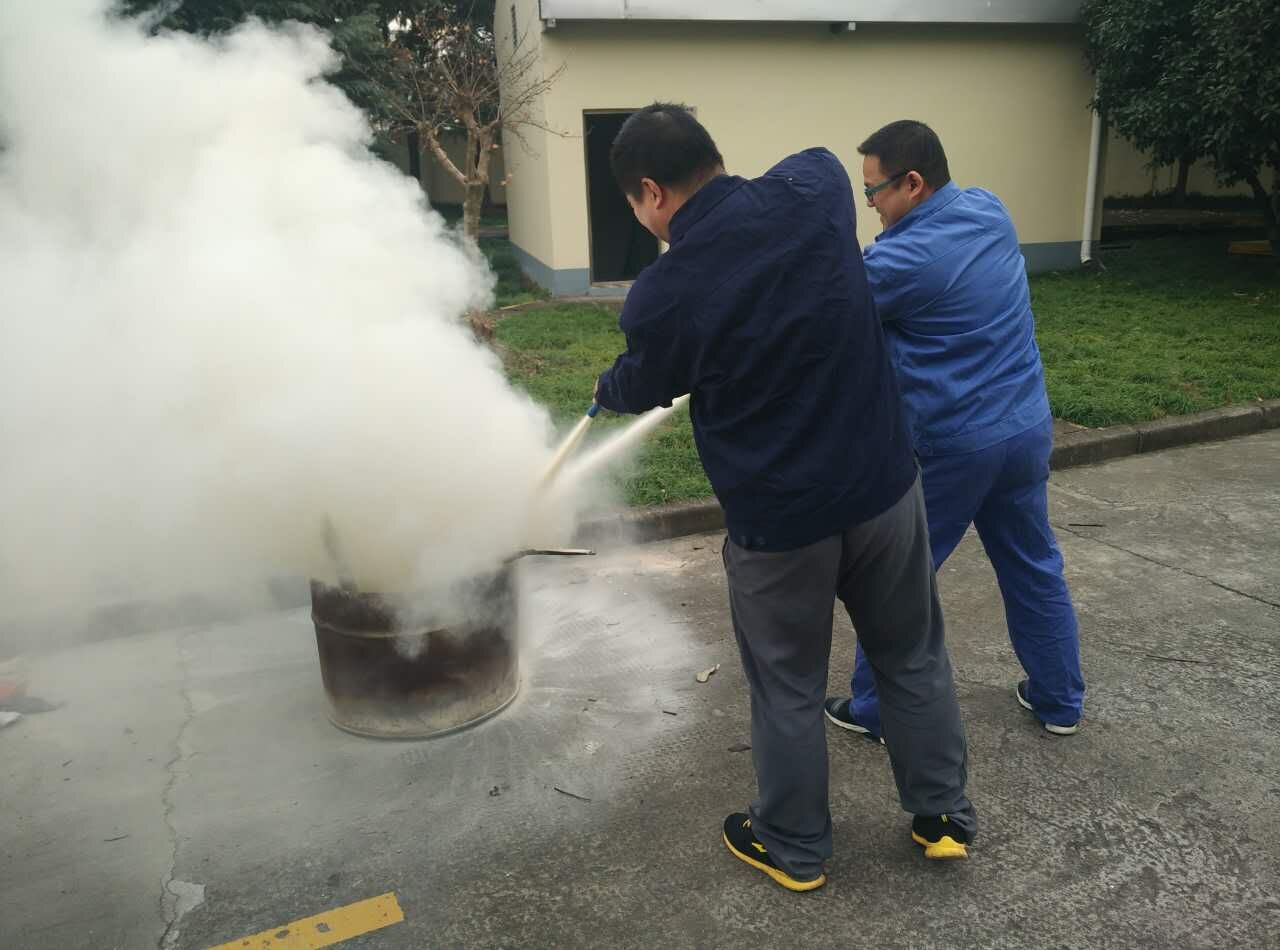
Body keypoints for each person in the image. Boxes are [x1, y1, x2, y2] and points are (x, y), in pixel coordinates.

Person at [593, 103, 976, 892]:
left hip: (781, 528)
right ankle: (942, 816)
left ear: (651, 192)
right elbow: (796, 178)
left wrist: (611, 385)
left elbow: (645, 380)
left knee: (789, 688)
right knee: (911, 655)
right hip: (883, 489)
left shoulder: (663, 293)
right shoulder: (817, 185)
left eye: (635, 205)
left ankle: (795, 847)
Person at [824, 120, 1085, 744]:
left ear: (913, 183)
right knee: (1032, 563)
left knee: (896, 584)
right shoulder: (989, 210)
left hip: (952, 448)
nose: (869, 204)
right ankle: (1059, 700)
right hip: (1024, 428)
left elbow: (829, 312)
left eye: (874, 191)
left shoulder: (898, 261)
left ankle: (875, 710)